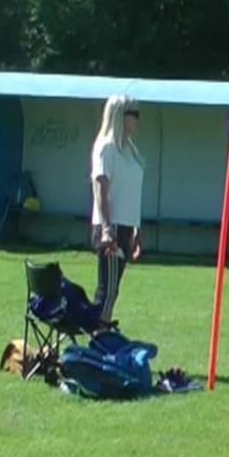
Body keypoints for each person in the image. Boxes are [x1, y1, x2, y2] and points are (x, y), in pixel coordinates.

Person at [90, 95, 145, 327]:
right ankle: (98, 333)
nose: (138, 120)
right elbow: (101, 188)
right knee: (108, 289)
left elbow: (132, 192)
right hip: (110, 226)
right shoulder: (106, 148)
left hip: (125, 225)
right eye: (134, 114)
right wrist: (106, 229)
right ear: (120, 116)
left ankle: (100, 330)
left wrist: (136, 229)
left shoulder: (129, 149)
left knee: (113, 288)